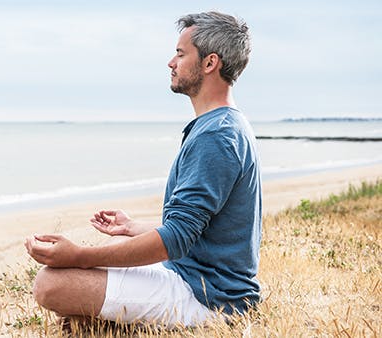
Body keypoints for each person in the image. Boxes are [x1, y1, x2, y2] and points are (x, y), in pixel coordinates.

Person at [24, 11, 261, 328]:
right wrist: (131, 227)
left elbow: (176, 238)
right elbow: (198, 228)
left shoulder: (216, 137)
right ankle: (104, 323)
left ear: (209, 63)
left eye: (180, 53)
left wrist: (79, 256)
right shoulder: (222, 125)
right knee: (114, 248)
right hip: (193, 274)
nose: (171, 63)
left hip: (209, 298)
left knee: (50, 284)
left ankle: (117, 323)